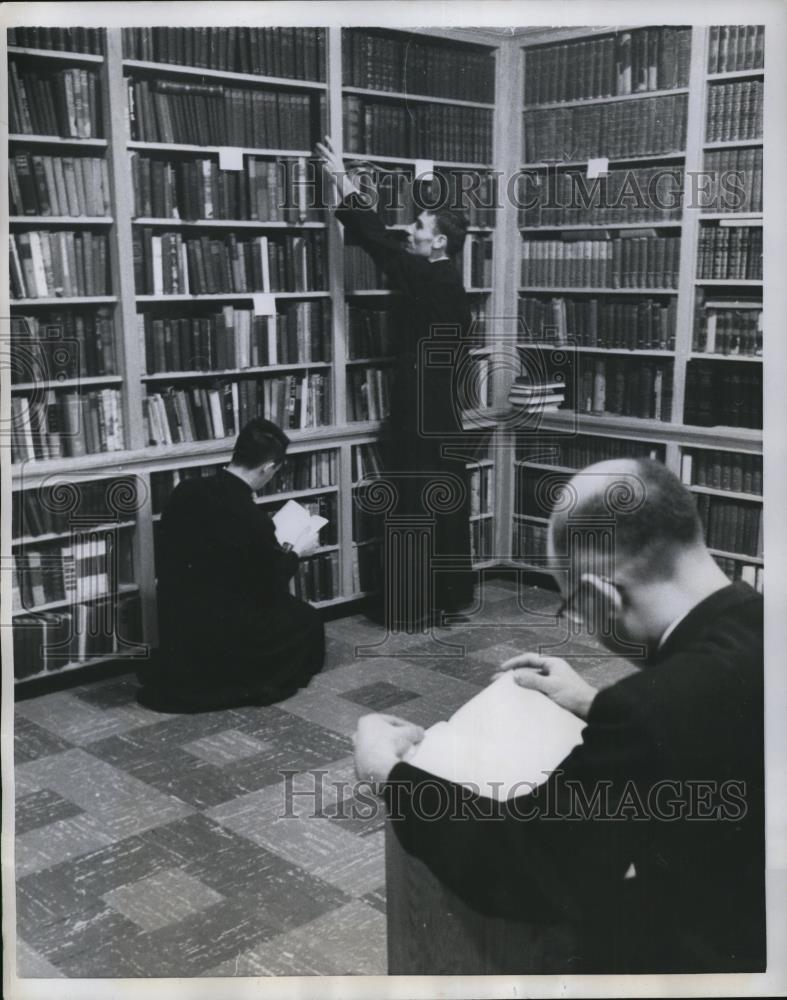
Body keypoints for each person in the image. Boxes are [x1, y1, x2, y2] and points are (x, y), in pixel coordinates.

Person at [353, 458, 765, 973]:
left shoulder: (649, 710)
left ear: (600, 596)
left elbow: (525, 865)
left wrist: (388, 774)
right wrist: (593, 702)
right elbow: (722, 725)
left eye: (571, 605)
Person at [316, 136, 475, 621]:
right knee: (443, 507)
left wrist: (342, 180)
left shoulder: (431, 278)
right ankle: (446, 597)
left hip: (421, 419)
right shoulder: (444, 281)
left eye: (421, 225)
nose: (412, 229)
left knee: (414, 506)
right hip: (443, 417)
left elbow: (377, 239)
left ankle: (413, 605)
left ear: (441, 241)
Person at [137, 418, 325, 713]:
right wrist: (295, 553)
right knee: (307, 620)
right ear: (267, 468)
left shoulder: (185, 490)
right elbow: (268, 584)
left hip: (178, 618)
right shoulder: (253, 519)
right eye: (275, 470)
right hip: (227, 625)